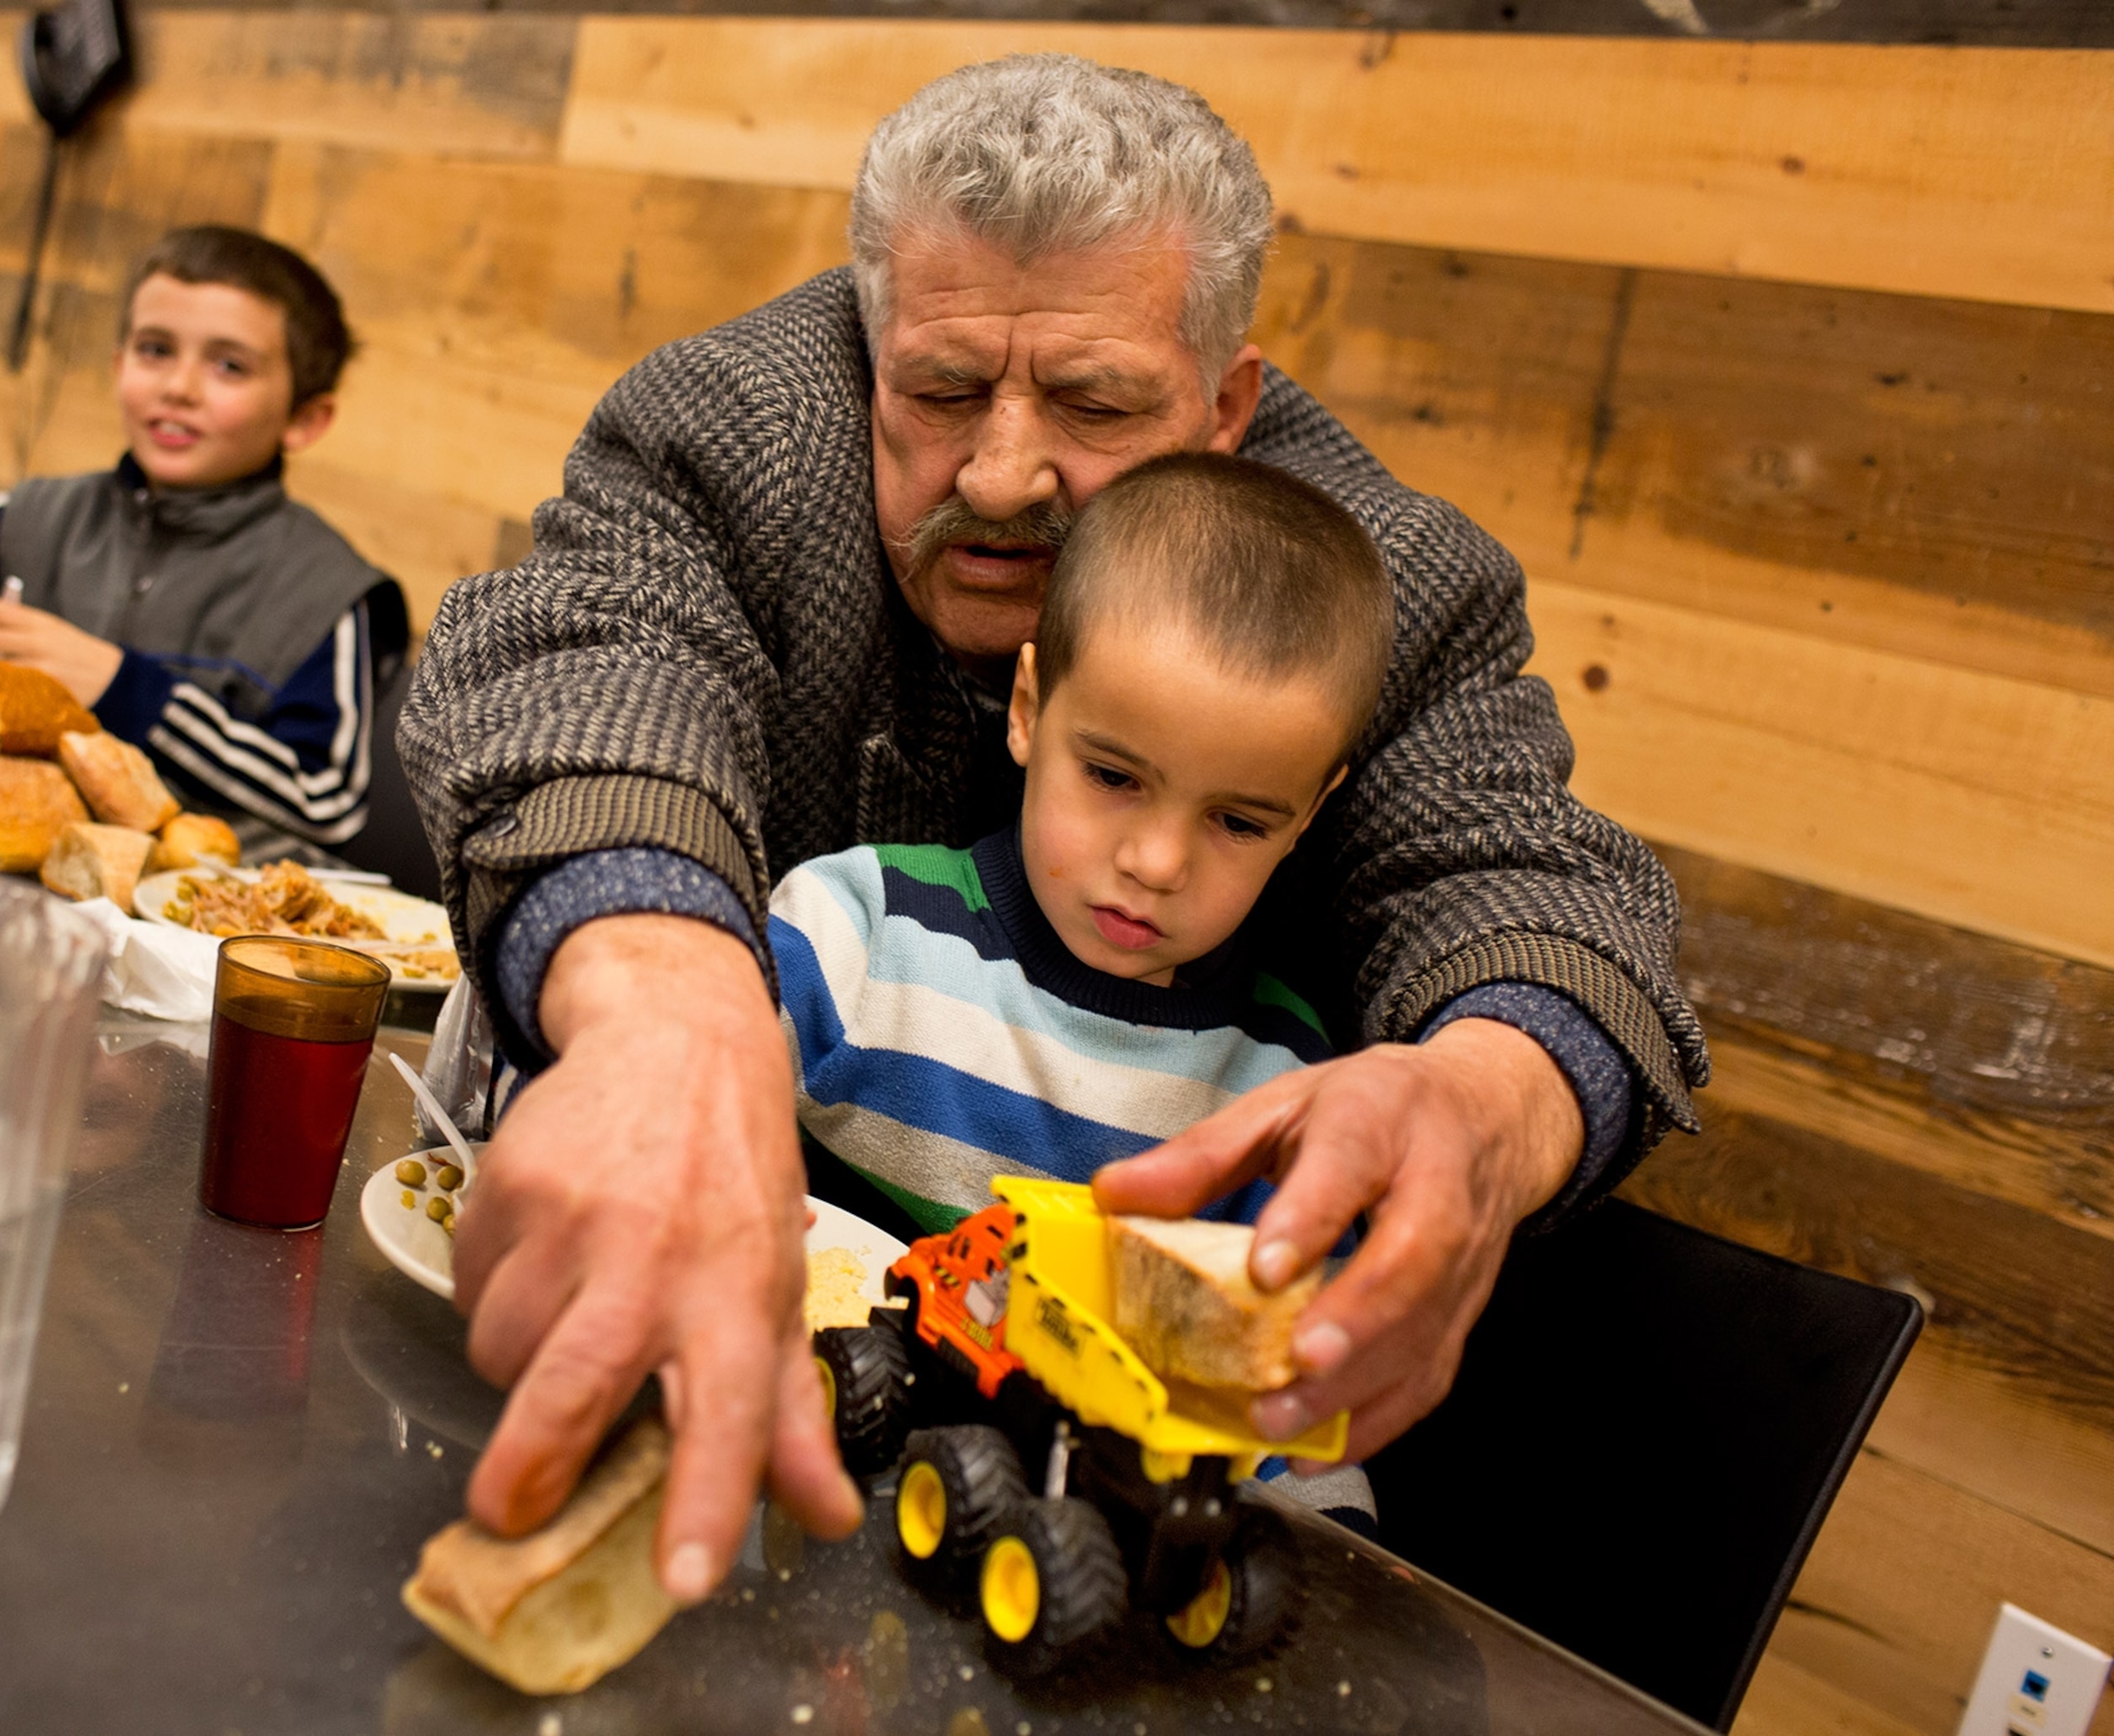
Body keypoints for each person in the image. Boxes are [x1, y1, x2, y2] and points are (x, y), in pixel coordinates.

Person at [400, 56, 1708, 1604]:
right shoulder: (731, 424)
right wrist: (670, 1001)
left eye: (1093, 406)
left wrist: (1487, 1099)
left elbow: (1525, 877)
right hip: (693, 1400)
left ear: (1228, 404)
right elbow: (585, 664)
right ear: (869, 345)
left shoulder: (1384, 583)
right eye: (941, 392)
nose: (1004, 475)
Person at [774, 451, 1394, 1528]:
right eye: (1113, 777)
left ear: (1309, 814)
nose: (1157, 861)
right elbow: (650, 1106)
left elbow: (1290, 1423)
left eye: (1239, 820)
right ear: (1028, 710)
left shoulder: (1287, 1103)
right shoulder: (855, 935)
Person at [0, 225, 437, 890]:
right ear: (117, 367)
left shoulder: (330, 592)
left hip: (198, 942)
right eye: (154, 349)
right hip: (4, 891)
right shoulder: (40, 520)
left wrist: (122, 688)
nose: (180, 387)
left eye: (229, 365)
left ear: (305, 419)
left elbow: (323, 802)